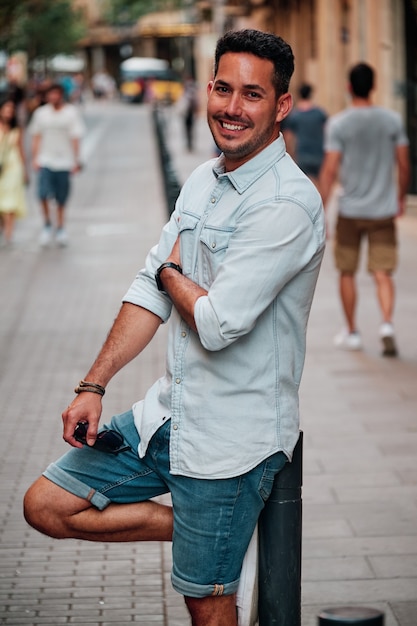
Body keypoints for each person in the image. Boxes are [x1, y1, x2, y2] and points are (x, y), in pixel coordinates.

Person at [23, 30, 326, 626]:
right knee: (47, 505)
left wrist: (168, 273)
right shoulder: (203, 181)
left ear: (281, 106)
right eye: (222, 88)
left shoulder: (286, 205)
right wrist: (93, 385)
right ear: (206, 88)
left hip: (229, 442)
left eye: (252, 95)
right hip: (167, 416)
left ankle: (211, 542)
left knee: (206, 609)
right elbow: (147, 289)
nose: (231, 108)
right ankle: (200, 534)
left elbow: (216, 323)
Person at [319, 62, 410, 357]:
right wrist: (398, 198)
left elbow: (330, 170)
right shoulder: (392, 120)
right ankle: (386, 325)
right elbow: (404, 164)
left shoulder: (339, 124)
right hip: (382, 210)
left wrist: (322, 210)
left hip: (350, 211)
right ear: (374, 86)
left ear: (348, 87)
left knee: (347, 272)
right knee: (383, 272)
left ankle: (353, 331)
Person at [28, 83, 85, 247]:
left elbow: (75, 137)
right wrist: (35, 158)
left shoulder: (70, 113)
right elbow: (36, 136)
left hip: (64, 161)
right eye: (50, 94)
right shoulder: (41, 114)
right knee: (43, 194)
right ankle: (47, 224)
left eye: (56, 94)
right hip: (45, 159)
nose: (53, 97)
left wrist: (76, 160)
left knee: (61, 198)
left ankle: (60, 227)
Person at [281, 82, 327, 186]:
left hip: (302, 154)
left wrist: (290, 154)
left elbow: (288, 138)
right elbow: (327, 132)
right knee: (320, 184)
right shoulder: (319, 113)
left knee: (302, 185)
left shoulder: (295, 115)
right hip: (318, 154)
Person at [0, 99, 28, 246]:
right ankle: (4, 228)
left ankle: (9, 234)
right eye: (6, 109)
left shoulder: (16, 129)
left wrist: (25, 171)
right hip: (0, 168)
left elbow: (20, 149)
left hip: (13, 166)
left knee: (10, 201)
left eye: (11, 110)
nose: (8, 113)